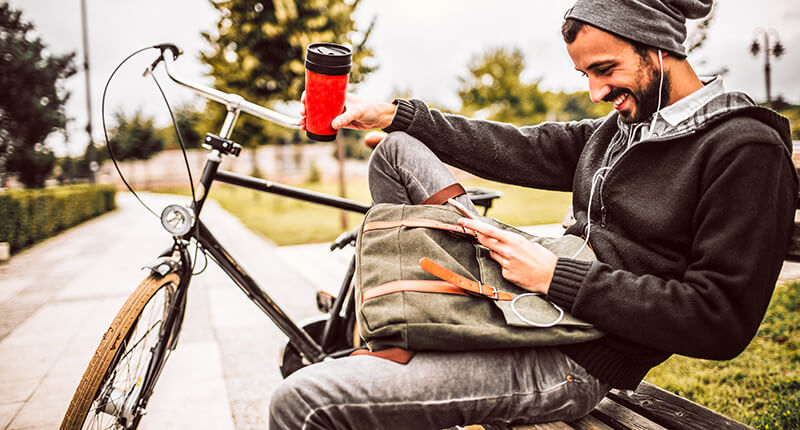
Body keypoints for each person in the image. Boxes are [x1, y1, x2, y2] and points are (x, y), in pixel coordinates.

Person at [270, 0, 798, 428]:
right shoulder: (624, 130)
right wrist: (396, 114)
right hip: (531, 292)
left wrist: (555, 276)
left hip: (573, 359)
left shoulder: (744, 149)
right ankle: (405, 331)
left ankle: (398, 354)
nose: (594, 93)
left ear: (658, 49)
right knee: (395, 151)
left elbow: (720, 320)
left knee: (301, 401)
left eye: (605, 69)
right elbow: (522, 146)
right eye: (585, 74)